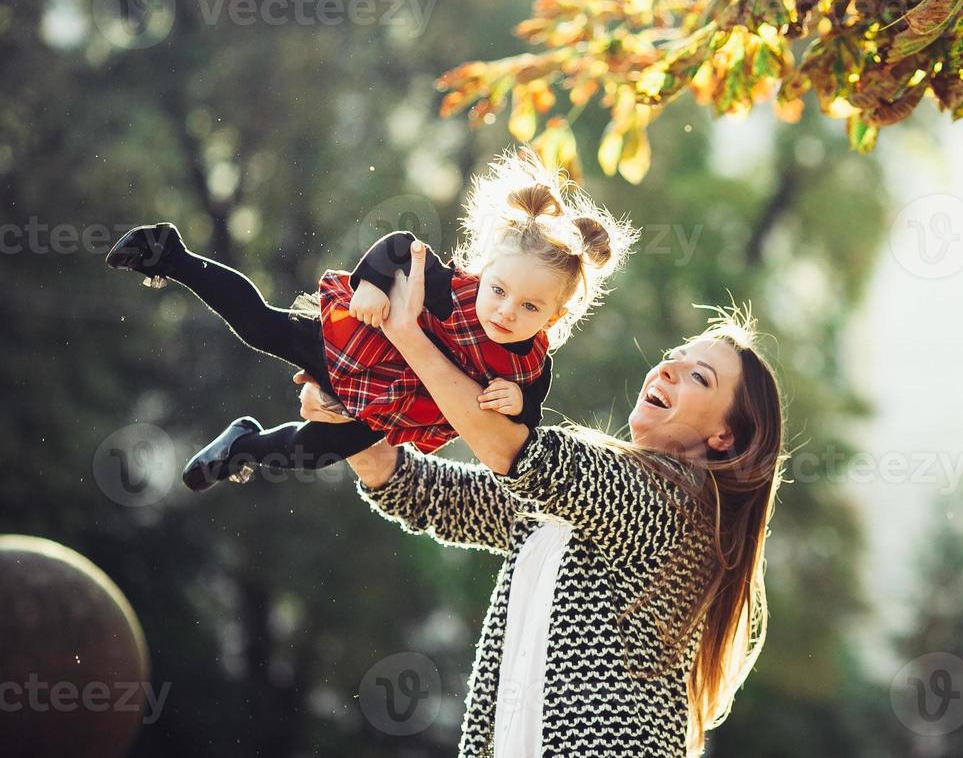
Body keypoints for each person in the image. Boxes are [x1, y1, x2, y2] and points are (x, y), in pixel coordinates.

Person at [300, 239, 785, 756]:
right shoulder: (581, 505)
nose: (666, 370)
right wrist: (348, 418)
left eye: (698, 377)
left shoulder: (678, 507)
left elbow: (517, 453)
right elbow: (425, 494)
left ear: (725, 437)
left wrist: (408, 336)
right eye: (674, 358)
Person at [103, 150, 633, 491]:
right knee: (261, 327)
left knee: (310, 453)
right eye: (499, 290)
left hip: (389, 410)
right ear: (484, 270)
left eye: (529, 308)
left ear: (556, 316)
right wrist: (372, 282)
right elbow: (399, 245)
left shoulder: (532, 364)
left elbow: (529, 418)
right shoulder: (452, 288)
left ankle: (246, 444)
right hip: (357, 345)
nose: (505, 311)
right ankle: (172, 258)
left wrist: (519, 403)